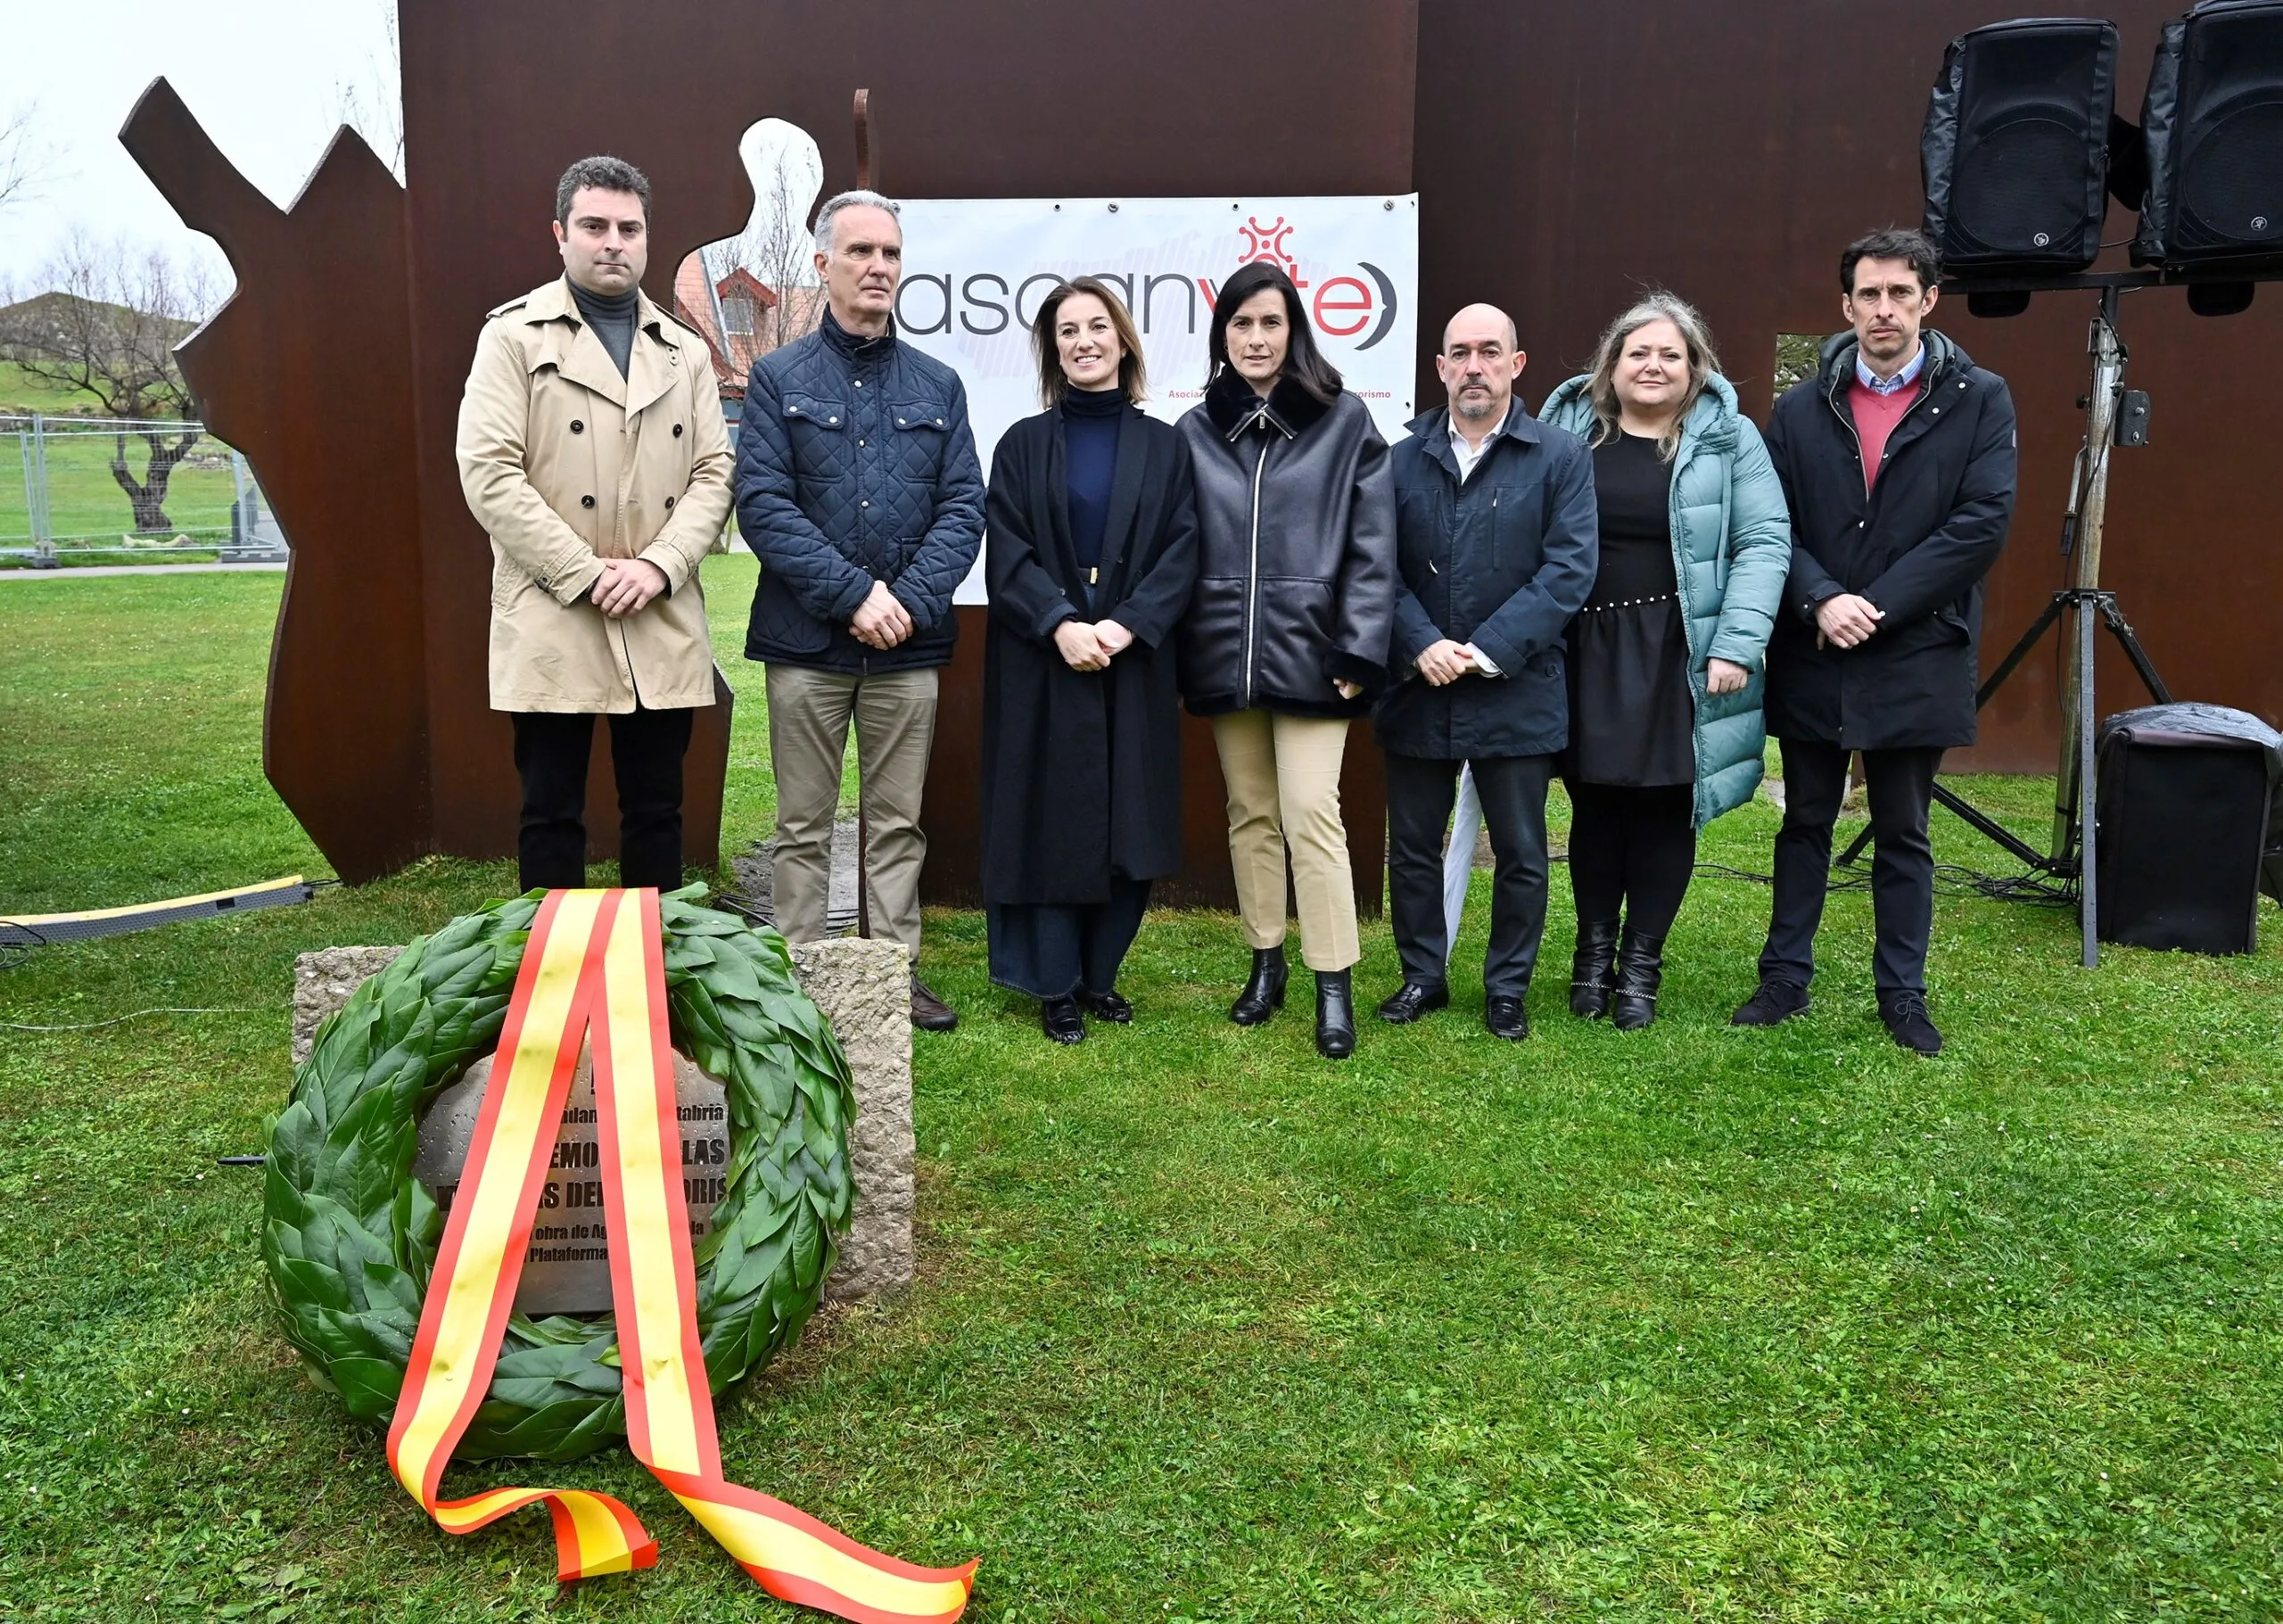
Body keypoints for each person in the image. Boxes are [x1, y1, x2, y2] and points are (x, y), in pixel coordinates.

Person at [1734, 228, 2016, 1055]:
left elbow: (1980, 525)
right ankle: (1784, 977)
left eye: (1901, 293)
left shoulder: (1979, 398)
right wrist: (1821, 597)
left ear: (1930, 300)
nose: (1884, 309)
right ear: (1846, 305)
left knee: (1904, 828)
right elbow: (1770, 523)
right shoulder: (1798, 407)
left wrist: (1878, 606)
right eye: (1870, 294)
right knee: (1806, 820)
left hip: (1918, 644)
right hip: (1817, 644)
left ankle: (1902, 994)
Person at [736, 190, 985, 1032]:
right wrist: (856, 596)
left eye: (889, 253)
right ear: (823, 264)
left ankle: (890, 975)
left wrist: (907, 603)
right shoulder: (777, 379)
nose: (878, 267)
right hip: (805, 644)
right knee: (802, 825)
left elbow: (963, 508)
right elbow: (764, 505)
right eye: (860, 253)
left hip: (907, 649)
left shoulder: (938, 385)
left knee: (897, 825)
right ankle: (797, 979)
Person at [457, 156, 733, 895]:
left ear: (647, 238)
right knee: (550, 813)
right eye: (594, 226)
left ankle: (663, 980)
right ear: (560, 233)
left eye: (629, 228)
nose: (613, 242)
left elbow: (715, 473)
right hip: (554, 609)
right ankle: (551, 987)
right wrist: (583, 571)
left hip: (658, 607)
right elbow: (489, 471)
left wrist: (659, 565)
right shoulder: (512, 338)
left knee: (658, 811)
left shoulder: (687, 351)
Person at [1538, 293, 1793, 1028]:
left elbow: (1764, 541)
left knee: (1666, 809)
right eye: (1638, 353)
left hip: (1685, 653)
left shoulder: (1729, 439)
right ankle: (1592, 956)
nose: (1653, 365)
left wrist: (1738, 644)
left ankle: (1641, 966)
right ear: (1610, 366)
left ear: (1695, 369)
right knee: (1593, 804)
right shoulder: (1563, 432)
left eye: (1670, 354)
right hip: (1585, 648)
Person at [1177, 262, 1396, 1059]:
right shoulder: (1198, 430)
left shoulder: (1344, 423)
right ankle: (1265, 961)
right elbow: (1178, 547)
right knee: (1251, 814)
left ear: (1294, 329)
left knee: (1312, 813)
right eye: (1241, 325)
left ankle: (1332, 981)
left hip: (1317, 657)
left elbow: (1375, 547)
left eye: (1270, 323)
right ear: (1222, 336)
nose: (1257, 339)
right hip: (1226, 656)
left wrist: (1360, 647)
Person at [978, 278, 1199, 1043]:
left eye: (1096, 326)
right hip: (1046, 662)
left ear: (1124, 339)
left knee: (1128, 818)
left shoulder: (1167, 447)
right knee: (1054, 817)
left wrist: (1129, 625)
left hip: (1132, 660)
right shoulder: (1021, 444)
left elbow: (1185, 547)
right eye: (1067, 331)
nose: (1083, 341)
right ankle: (1055, 984)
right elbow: (1006, 548)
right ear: (1052, 349)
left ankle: (1101, 973)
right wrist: (1059, 622)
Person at [1373, 303, 1596, 1040]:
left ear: (1516, 364)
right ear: (1439, 368)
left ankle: (1507, 987)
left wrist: (1488, 649)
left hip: (1517, 685)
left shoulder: (1561, 457)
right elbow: (1374, 568)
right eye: (1460, 353)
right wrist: (1421, 643)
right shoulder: (1397, 460)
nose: (1474, 365)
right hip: (1418, 684)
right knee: (1411, 846)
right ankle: (1421, 977)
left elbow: (1569, 570)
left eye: (1489, 351)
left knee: (1523, 851)